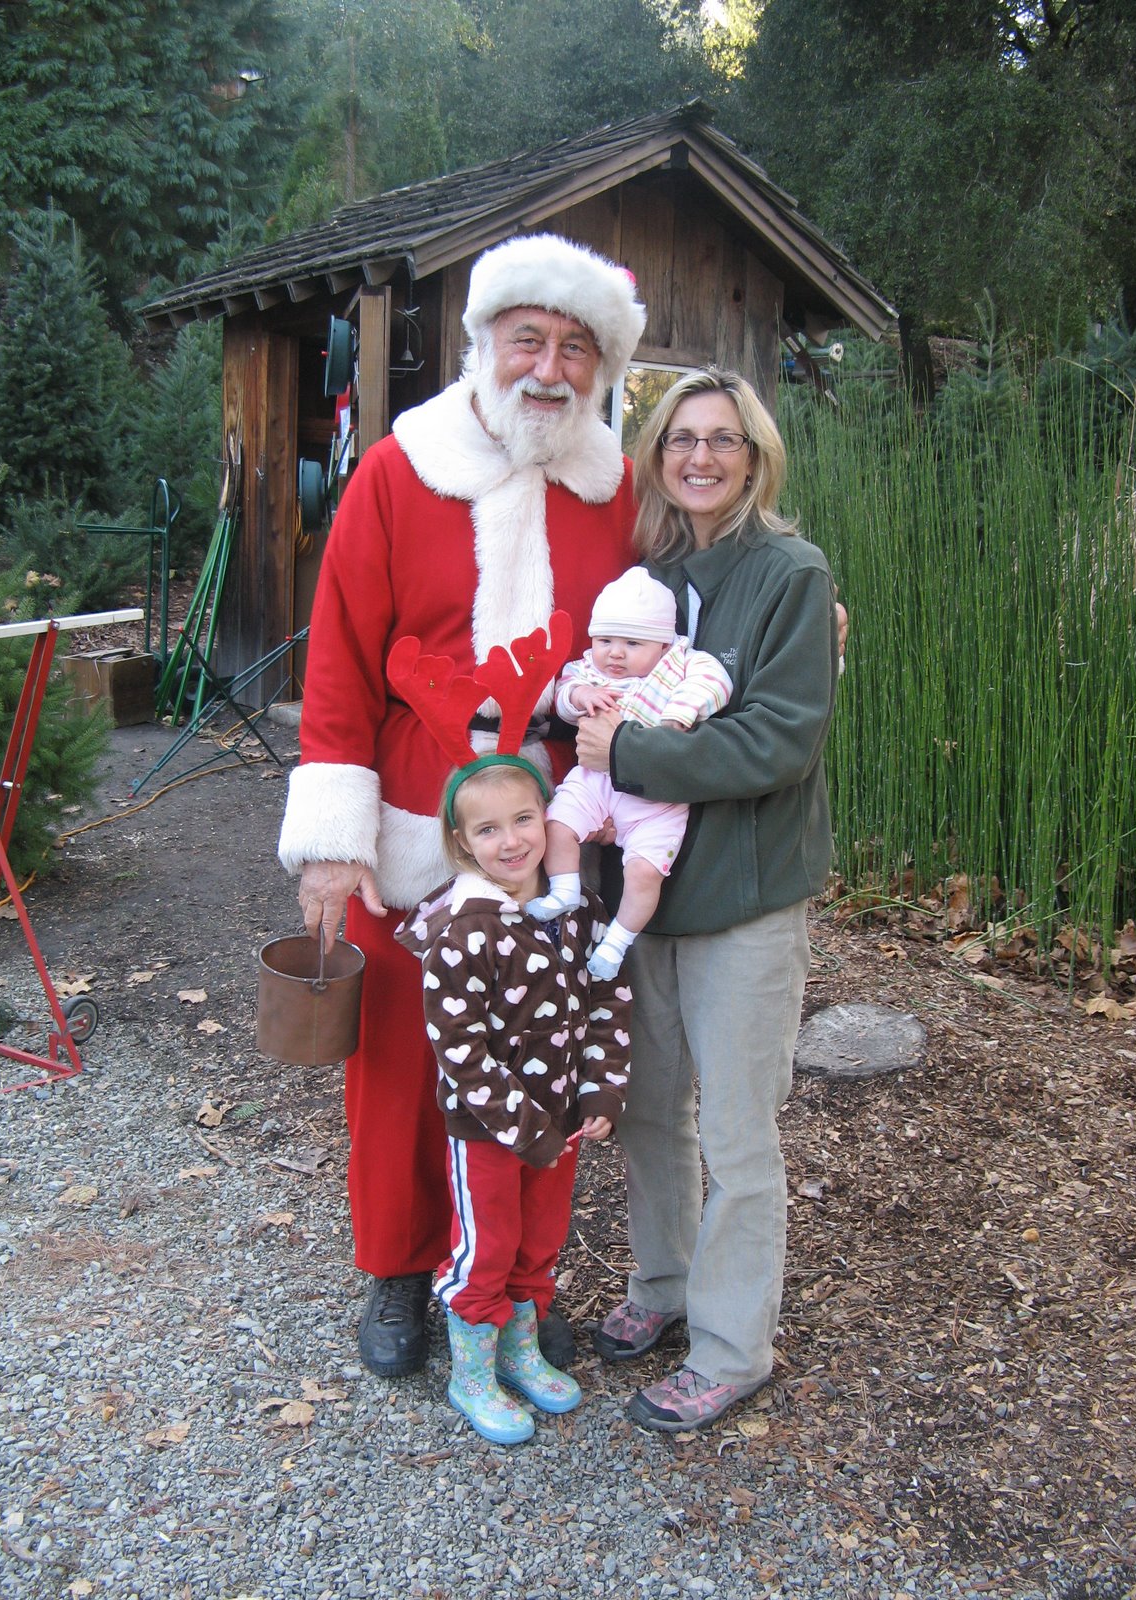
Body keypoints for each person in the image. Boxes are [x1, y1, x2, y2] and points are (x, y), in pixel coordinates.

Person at [277, 234, 646, 1379]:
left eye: (575, 346)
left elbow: (671, 608)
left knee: (535, 1046)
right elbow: (338, 653)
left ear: (601, 367)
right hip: (406, 808)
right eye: (528, 338)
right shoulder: (400, 469)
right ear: (485, 344)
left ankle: (513, 1283)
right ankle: (398, 1267)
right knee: (398, 1056)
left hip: (547, 821)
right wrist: (335, 843)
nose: (549, 366)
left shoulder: (612, 488)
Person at [577, 366, 839, 1432]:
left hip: (744, 893)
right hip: (648, 898)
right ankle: (664, 1286)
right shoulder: (648, 575)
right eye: (681, 437)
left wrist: (628, 751)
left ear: (756, 454)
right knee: (647, 1113)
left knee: (735, 1130)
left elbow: (782, 737)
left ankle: (733, 1345)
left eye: (723, 439)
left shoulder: (790, 571)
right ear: (656, 454)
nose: (700, 456)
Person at [393, 700, 631, 1442]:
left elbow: (608, 997)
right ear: (461, 842)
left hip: (560, 1119)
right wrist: (525, 1128)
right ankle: (472, 1372)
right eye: (488, 830)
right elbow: (459, 1048)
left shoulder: (574, 909)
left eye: (524, 820)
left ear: (550, 819)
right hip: (491, 1128)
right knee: (487, 1244)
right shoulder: (462, 931)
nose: (511, 841)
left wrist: (599, 1085)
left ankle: (521, 1349)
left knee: (540, 1237)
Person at [526, 567, 732, 978]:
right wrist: (582, 693)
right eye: (604, 641)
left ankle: (618, 941)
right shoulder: (592, 670)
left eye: (631, 643)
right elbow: (564, 691)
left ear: (663, 643)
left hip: (657, 798)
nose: (614, 654)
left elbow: (717, 682)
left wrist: (677, 715)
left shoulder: (681, 663)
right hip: (596, 781)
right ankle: (564, 889)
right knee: (557, 822)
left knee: (644, 872)